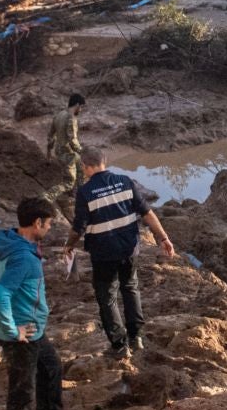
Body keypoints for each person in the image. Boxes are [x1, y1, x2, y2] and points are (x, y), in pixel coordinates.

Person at [65, 145, 176, 360]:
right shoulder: (125, 182)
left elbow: (79, 226)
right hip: (129, 249)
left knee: (107, 297)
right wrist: (164, 238)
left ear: (85, 167)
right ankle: (137, 338)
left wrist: (69, 245)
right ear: (104, 162)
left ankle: (119, 345)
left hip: (103, 253)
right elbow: (148, 213)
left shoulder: (85, 192)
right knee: (130, 288)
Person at [0, 196, 62, 410]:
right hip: (22, 335)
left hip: (34, 329)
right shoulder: (24, 258)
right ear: (37, 223)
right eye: (48, 225)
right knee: (22, 393)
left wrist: (6, 290)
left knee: (51, 369)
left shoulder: (8, 241)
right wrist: (12, 328)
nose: (49, 229)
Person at [48, 93, 85, 197]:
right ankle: (48, 196)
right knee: (69, 183)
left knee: (81, 167)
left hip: (59, 151)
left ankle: (80, 193)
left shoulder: (59, 115)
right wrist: (82, 151)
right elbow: (72, 139)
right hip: (67, 154)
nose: (81, 110)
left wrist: (49, 153)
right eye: (81, 107)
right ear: (77, 105)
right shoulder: (71, 118)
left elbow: (50, 135)